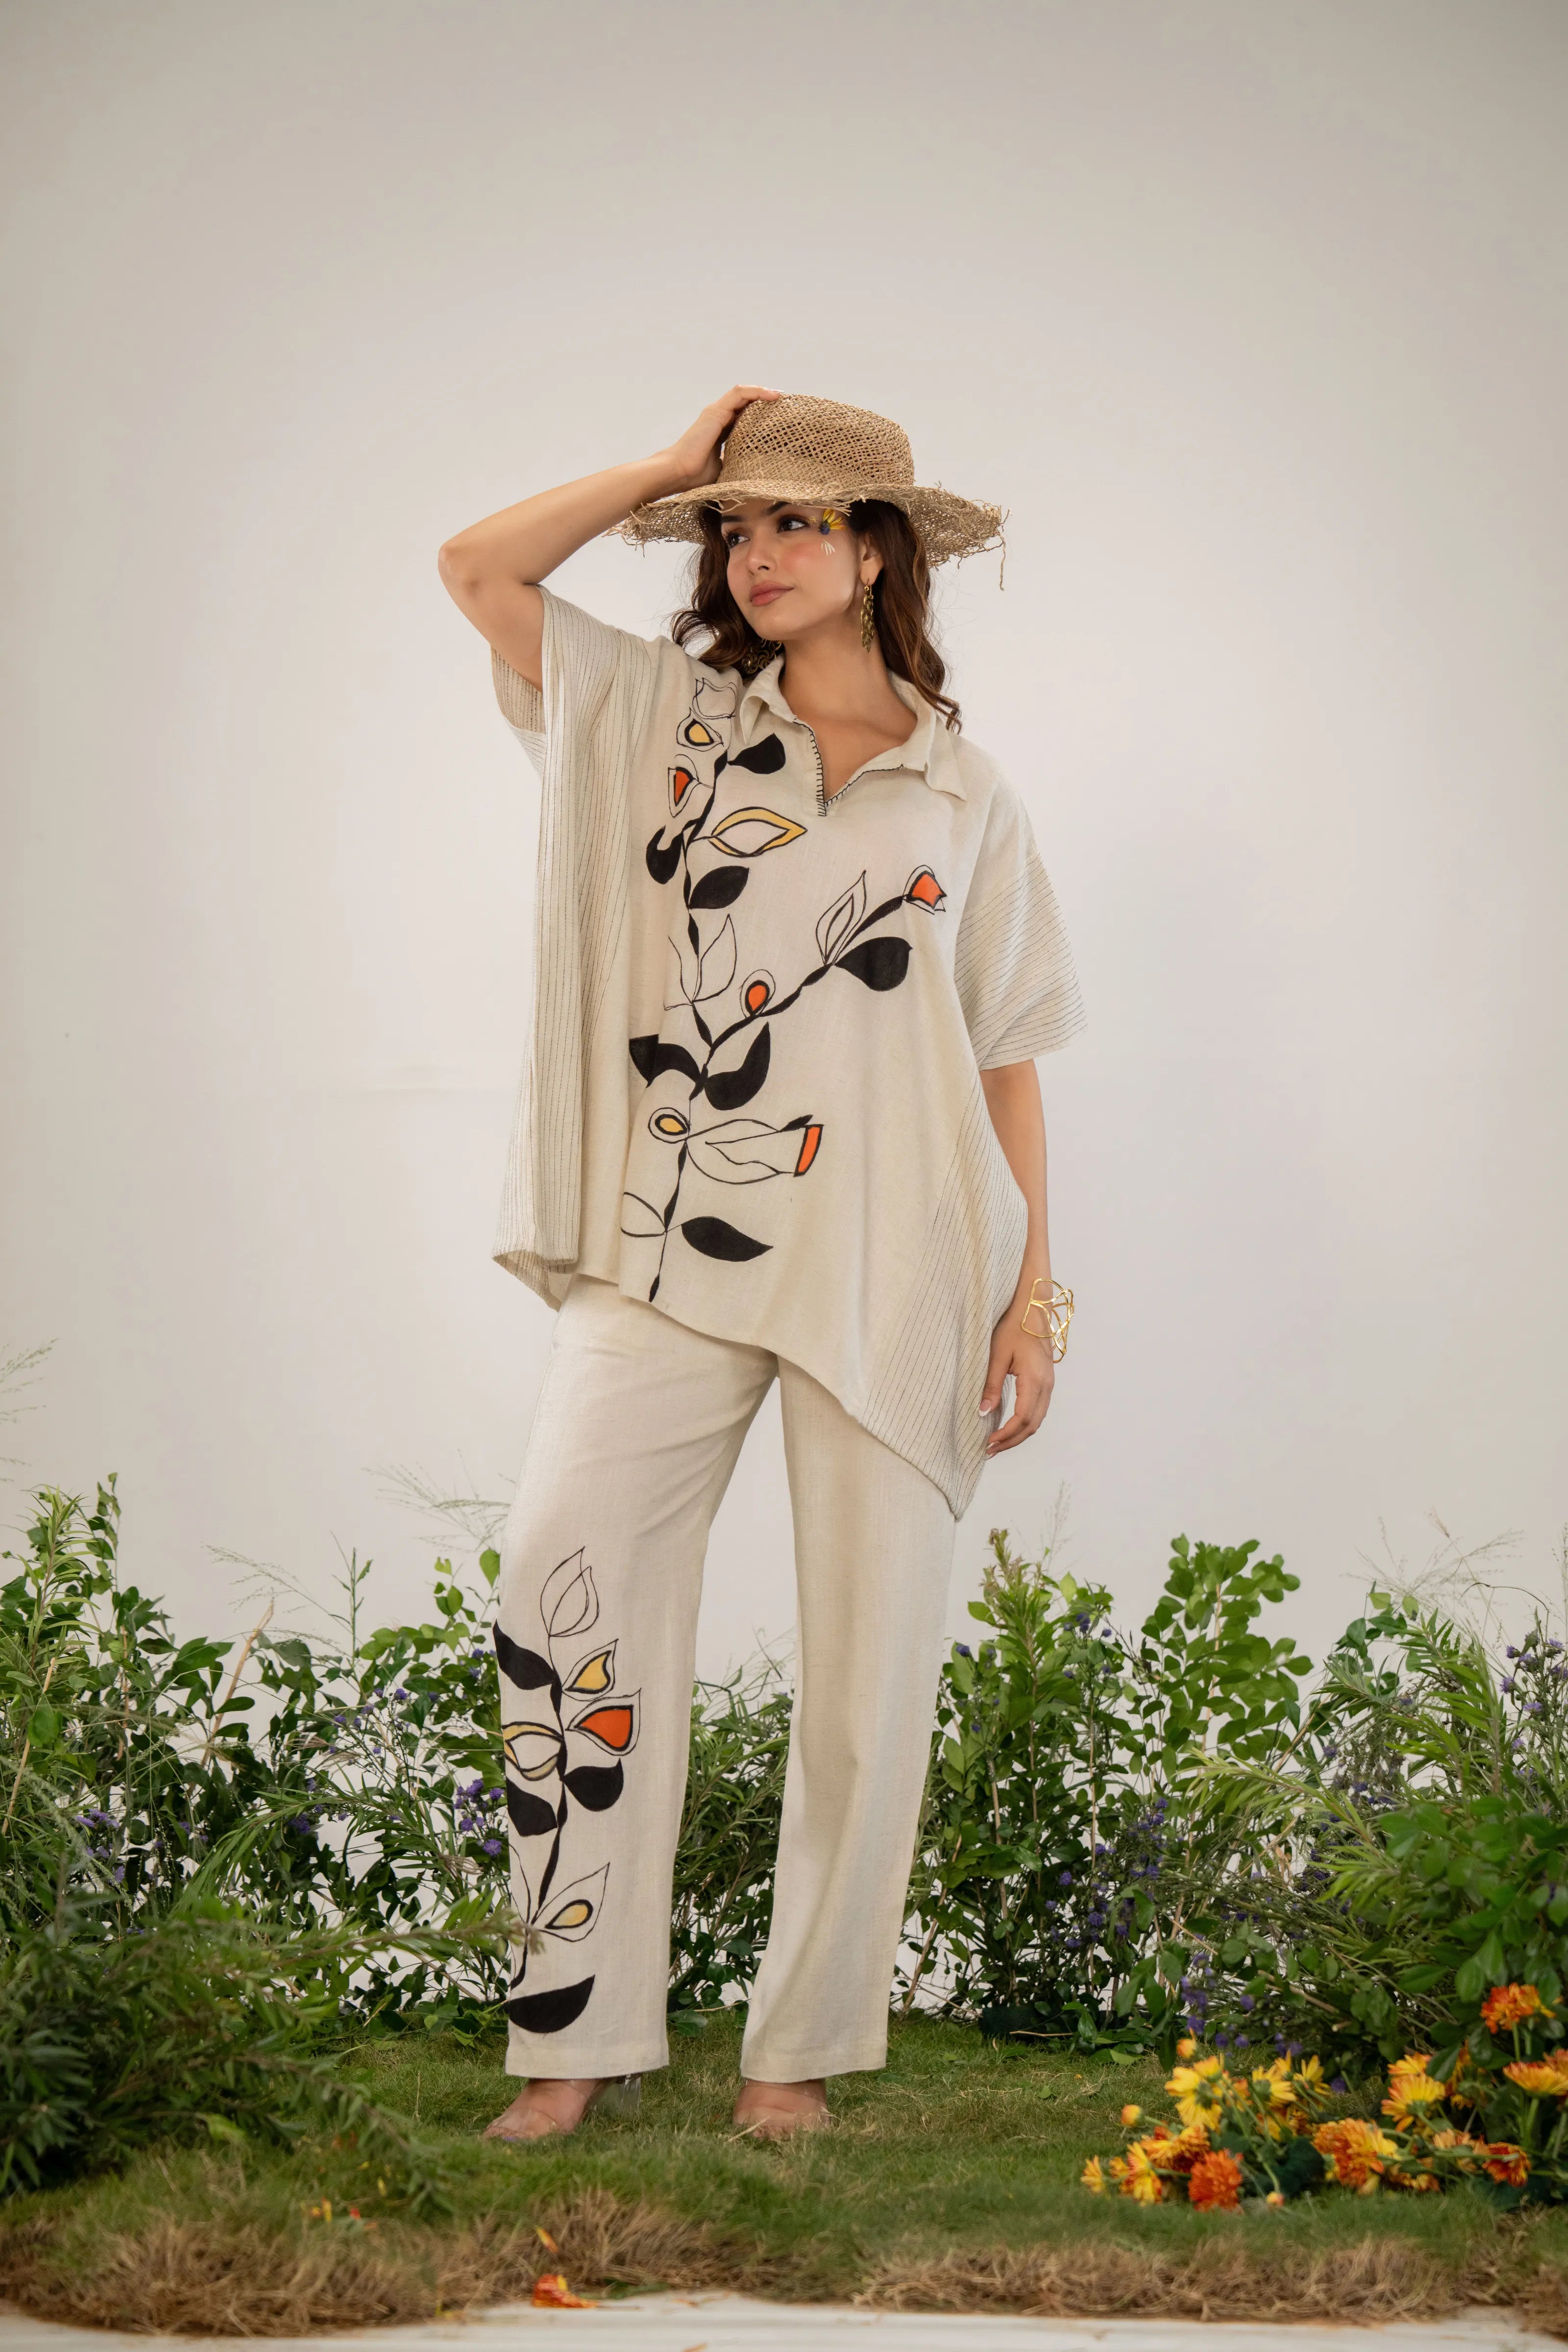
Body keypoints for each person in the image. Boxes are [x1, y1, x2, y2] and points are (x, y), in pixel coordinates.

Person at [437, 387, 1085, 2144]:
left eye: (797, 521)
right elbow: (479, 569)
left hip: (902, 1259)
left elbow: (1006, 1058)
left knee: (870, 1669)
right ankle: (573, 2037)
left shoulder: (968, 791)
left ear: (877, 552)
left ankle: (794, 2052)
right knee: (560, 1587)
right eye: (736, 527)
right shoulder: (671, 721)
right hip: (675, 1243)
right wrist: (665, 469)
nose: (758, 553)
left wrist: (1031, 1299)